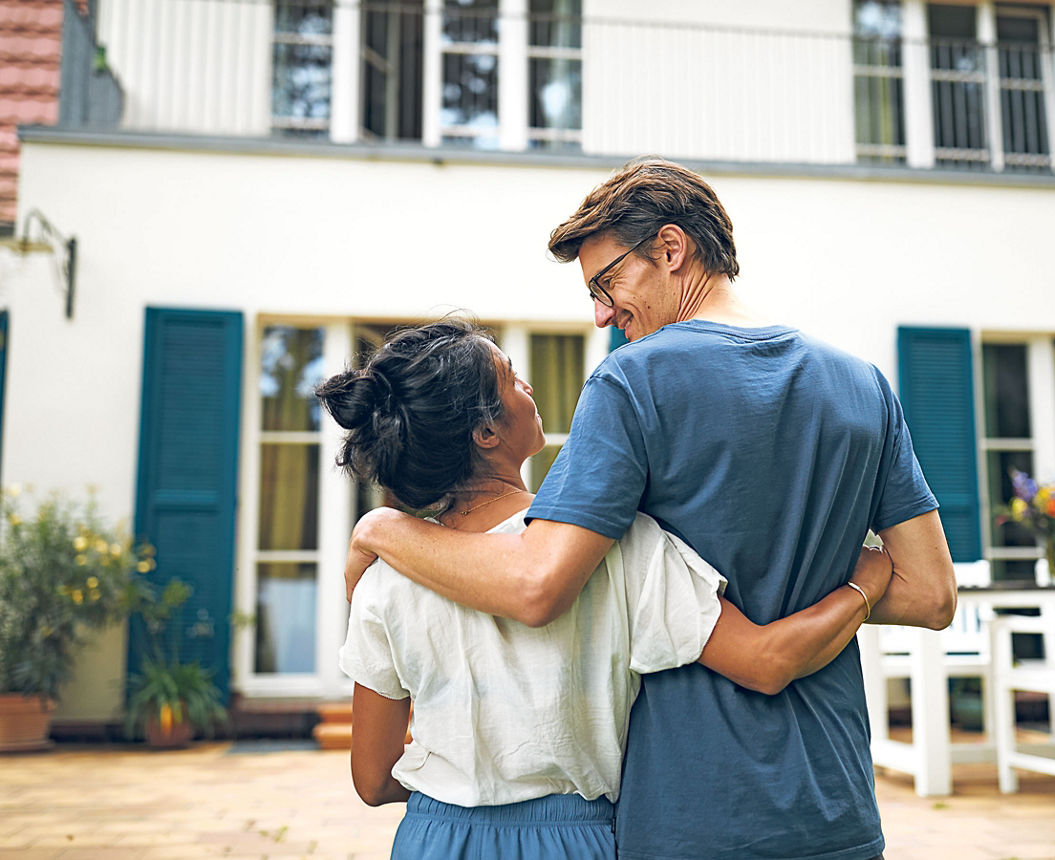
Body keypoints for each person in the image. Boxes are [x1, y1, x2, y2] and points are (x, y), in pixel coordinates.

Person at [345, 158, 957, 859]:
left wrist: (383, 525)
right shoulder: (863, 384)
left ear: (671, 249)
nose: (602, 313)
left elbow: (536, 582)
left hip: (688, 810)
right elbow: (934, 595)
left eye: (608, 284)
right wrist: (863, 576)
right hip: (837, 800)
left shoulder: (634, 380)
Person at [320, 319, 895, 858]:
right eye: (510, 378)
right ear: (487, 431)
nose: (528, 386)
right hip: (576, 840)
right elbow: (766, 662)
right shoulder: (617, 546)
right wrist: (863, 587)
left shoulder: (385, 574)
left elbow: (372, 780)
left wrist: (456, 796)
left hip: (434, 836)